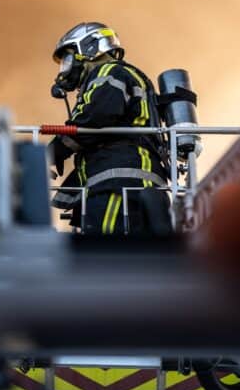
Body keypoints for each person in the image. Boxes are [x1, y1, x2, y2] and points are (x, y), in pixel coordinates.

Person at [49, 22, 171, 236]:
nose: (65, 69)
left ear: (88, 48)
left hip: (118, 186)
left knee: (105, 255)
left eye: (67, 59)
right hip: (130, 186)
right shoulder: (113, 76)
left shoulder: (109, 71)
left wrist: (54, 151)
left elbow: (96, 117)